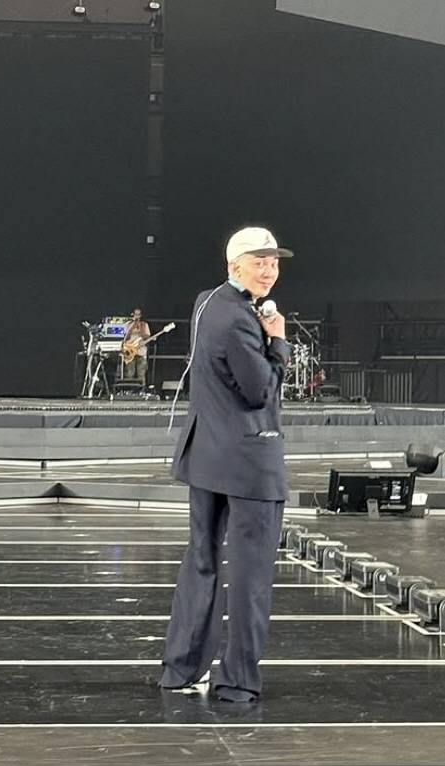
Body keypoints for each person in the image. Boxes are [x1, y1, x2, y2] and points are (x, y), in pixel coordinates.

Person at [160, 227, 293, 702]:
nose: (269, 271)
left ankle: (180, 668)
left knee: (201, 562)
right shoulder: (240, 319)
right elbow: (260, 391)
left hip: (206, 457)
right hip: (249, 462)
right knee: (251, 576)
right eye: (259, 262)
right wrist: (277, 342)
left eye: (273, 263)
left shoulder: (206, 302)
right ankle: (237, 682)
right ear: (235, 264)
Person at [123, 308, 151, 387]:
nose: (137, 316)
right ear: (133, 315)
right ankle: (129, 389)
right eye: (136, 314)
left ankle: (141, 389)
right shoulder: (128, 324)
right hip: (130, 351)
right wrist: (133, 326)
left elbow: (146, 337)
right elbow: (125, 338)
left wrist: (140, 328)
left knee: (141, 373)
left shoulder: (144, 324)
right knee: (129, 373)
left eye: (139, 314)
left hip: (141, 351)